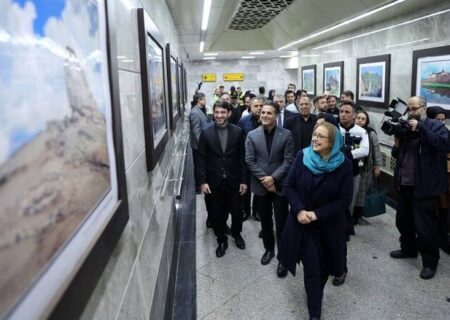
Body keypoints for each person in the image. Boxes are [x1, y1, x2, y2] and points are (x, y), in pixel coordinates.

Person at [278, 122, 353, 320]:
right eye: (314, 134)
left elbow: (344, 200)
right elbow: (289, 187)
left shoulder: (344, 164)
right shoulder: (303, 156)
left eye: (320, 136)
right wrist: (300, 210)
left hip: (329, 226)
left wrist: (317, 214)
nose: (314, 139)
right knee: (312, 267)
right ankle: (314, 312)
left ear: (333, 142)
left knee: (325, 269)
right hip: (303, 225)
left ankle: (314, 292)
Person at [389, 96, 447, 279]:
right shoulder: (406, 126)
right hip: (404, 183)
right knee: (402, 221)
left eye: (415, 108)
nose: (412, 112)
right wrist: (397, 142)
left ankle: (430, 262)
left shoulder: (435, 126)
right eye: (410, 109)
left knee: (425, 228)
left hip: (425, 186)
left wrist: (420, 128)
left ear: (424, 107)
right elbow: (396, 154)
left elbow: (442, 145)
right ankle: (409, 249)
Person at [245, 101, 294, 277]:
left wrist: (273, 177)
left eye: (269, 113)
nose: (264, 115)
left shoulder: (286, 134)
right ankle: (268, 249)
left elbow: (288, 160)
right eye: (263, 112)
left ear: (277, 115)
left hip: (280, 185)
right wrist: (265, 180)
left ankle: (283, 257)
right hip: (260, 185)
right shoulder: (252, 135)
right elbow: (250, 161)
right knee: (265, 220)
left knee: (282, 221)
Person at [197, 101, 248, 257]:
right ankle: (221, 240)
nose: (219, 116)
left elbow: (242, 157)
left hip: (234, 179)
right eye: (217, 112)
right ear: (213, 113)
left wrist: (244, 180)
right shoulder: (205, 132)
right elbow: (201, 159)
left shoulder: (238, 132)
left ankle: (236, 233)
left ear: (229, 113)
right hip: (214, 181)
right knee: (217, 213)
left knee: (237, 212)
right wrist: (203, 181)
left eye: (223, 112)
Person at [426, 106, 450, 254]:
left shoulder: (446, 133)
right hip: (430, 178)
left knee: (444, 211)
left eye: (444, 120)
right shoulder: (425, 132)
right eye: (438, 120)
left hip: (445, 177)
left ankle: (442, 238)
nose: (441, 123)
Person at [353, 111, 382, 224]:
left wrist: (377, 166)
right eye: (358, 118)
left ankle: (358, 216)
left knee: (361, 193)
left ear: (366, 121)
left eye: (363, 119)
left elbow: (376, 150)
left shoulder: (370, 133)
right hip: (352, 166)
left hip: (365, 167)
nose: (360, 120)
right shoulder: (351, 131)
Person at [189, 92, 213, 225]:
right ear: (199, 100)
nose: (205, 101)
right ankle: (198, 186)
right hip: (199, 146)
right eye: (204, 99)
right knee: (198, 165)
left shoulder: (200, 111)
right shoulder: (194, 113)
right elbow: (197, 131)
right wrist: (203, 146)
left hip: (202, 145)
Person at [238, 97, 263, 221]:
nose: (259, 108)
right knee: (245, 186)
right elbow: (238, 140)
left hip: (261, 160)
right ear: (250, 107)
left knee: (259, 186)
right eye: (256, 106)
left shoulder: (267, 121)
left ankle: (257, 211)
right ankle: (245, 209)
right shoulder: (243, 121)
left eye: (261, 106)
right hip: (245, 159)